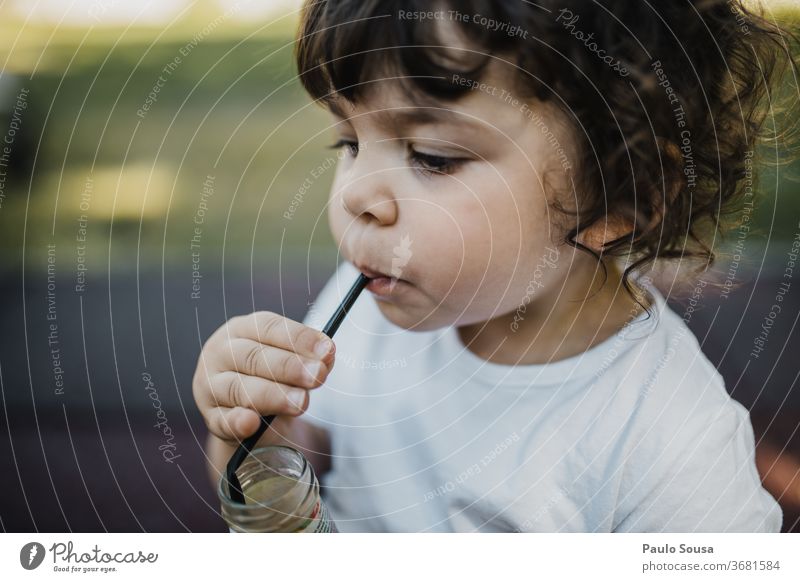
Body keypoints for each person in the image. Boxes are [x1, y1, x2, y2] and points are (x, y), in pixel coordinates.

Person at [194, 0, 797, 532]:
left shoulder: (670, 443)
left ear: (620, 200)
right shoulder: (375, 299)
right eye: (349, 142)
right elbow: (295, 495)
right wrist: (255, 436)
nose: (358, 196)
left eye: (433, 157)